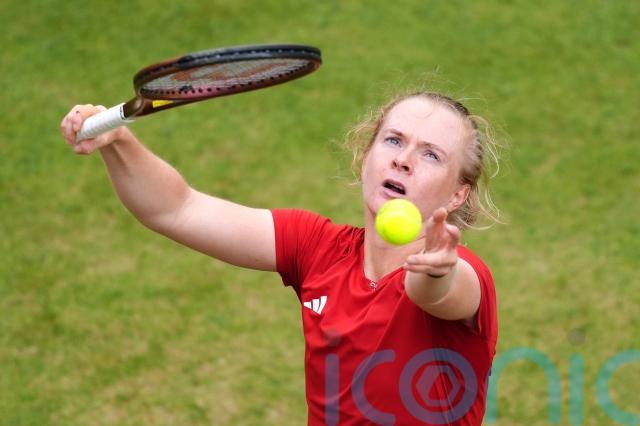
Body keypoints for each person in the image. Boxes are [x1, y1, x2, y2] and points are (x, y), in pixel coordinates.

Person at [60, 91, 501, 425]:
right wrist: (118, 140)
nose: (403, 160)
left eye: (431, 154)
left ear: (458, 194)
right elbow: (177, 209)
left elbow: (437, 291)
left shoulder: (465, 275)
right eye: (393, 140)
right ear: (365, 155)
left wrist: (438, 271)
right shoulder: (316, 248)